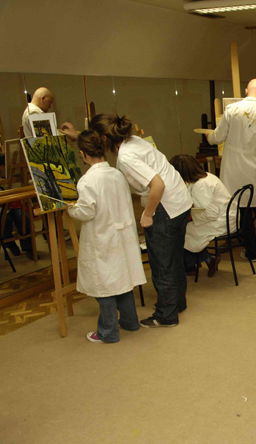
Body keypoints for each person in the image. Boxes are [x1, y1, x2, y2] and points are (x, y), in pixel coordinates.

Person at [61, 114, 192, 328]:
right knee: (175, 258)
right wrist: (77, 136)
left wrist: (147, 214)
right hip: (180, 201)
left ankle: (166, 315)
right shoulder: (133, 140)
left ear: (103, 139)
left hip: (164, 205)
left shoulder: (126, 156)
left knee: (162, 264)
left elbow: (157, 185)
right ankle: (177, 303)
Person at [67, 130, 146, 343]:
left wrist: (70, 208)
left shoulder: (87, 181)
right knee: (123, 279)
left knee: (105, 286)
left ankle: (107, 332)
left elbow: (86, 212)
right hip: (122, 235)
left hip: (102, 237)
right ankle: (130, 322)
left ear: (83, 154)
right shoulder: (117, 174)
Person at [207, 78, 256, 262]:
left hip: (234, 166)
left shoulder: (232, 110)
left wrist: (209, 136)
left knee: (241, 208)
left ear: (246, 90)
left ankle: (253, 252)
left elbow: (218, 136)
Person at [170, 154, 232, 278]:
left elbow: (211, 213)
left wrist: (190, 216)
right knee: (184, 230)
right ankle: (202, 261)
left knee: (179, 232)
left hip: (220, 220)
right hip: (225, 215)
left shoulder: (200, 185)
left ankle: (195, 263)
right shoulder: (207, 176)